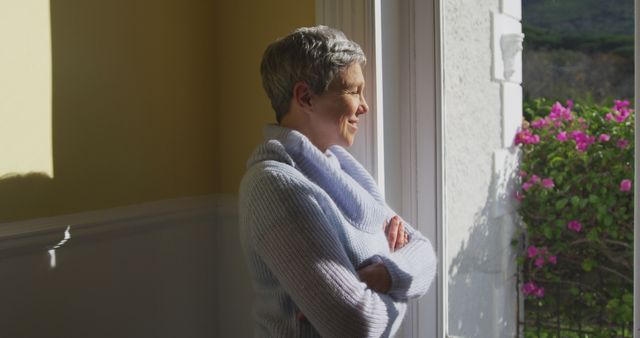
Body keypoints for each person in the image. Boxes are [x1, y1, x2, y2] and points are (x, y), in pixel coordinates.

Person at [239, 25, 437, 337]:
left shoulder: (344, 172)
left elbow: (425, 254)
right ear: (306, 97)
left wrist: (381, 276)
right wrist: (400, 278)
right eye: (353, 91)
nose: (364, 106)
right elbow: (358, 326)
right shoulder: (274, 187)